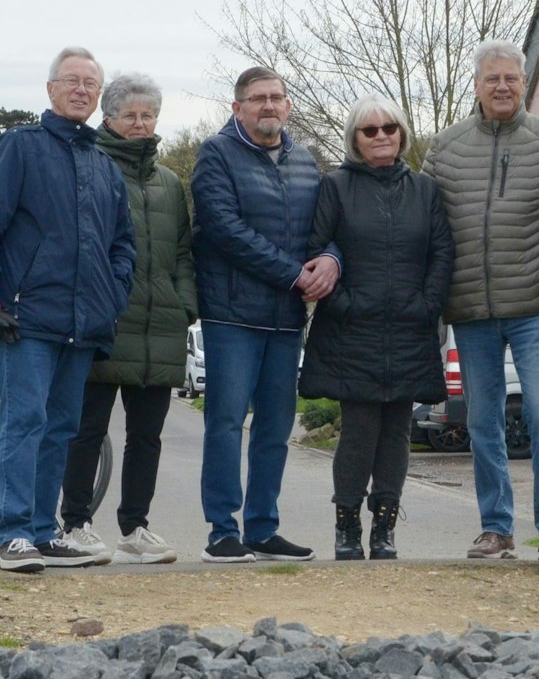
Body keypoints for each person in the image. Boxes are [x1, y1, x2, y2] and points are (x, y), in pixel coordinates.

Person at [0, 46, 136, 573]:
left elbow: (122, 245)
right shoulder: (20, 147)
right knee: (25, 421)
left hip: (83, 323)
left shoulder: (104, 165)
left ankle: (43, 530)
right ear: (50, 89)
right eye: (72, 81)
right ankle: (13, 534)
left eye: (90, 83)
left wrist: (112, 294)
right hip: (28, 318)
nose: (82, 90)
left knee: (62, 427)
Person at [426, 40, 539, 561]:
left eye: (511, 77)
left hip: (536, 304)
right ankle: (496, 528)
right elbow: (428, 227)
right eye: (492, 78)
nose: (503, 86)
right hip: (470, 308)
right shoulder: (443, 149)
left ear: (524, 81)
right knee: (482, 420)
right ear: (477, 85)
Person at [190, 66, 339, 563]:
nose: (268, 105)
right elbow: (224, 230)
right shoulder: (215, 154)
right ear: (238, 108)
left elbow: (325, 227)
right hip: (232, 315)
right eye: (257, 99)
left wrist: (330, 260)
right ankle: (221, 530)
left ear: (288, 105)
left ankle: (262, 526)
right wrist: (295, 275)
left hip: (286, 319)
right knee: (227, 423)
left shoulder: (305, 160)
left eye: (277, 97)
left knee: (276, 427)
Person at [298, 95, 453, 561]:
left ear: (402, 133)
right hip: (352, 332)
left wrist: (427, 305)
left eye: (390, 128)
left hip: (410, 328)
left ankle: (384, 529)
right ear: (355, 138)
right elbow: (316, 245)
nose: (381, 135)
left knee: (397, 433)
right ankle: (347, 527)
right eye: (370, 130)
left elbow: (442, 253)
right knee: (359, 432)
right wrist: (344, 305)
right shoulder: (335, 187)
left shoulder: (425, 190)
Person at [58, 73, 194, 565]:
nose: (140, 124)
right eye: (130, 115)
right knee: (86, 430)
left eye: (148, 115)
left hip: (160, 325)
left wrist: (184, 303)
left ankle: (135, 527)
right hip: (104, 323)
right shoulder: (90, 166)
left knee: (147, 436)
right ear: (108, 118)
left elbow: (182, 250)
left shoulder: (171, 182)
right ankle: (75, 523)